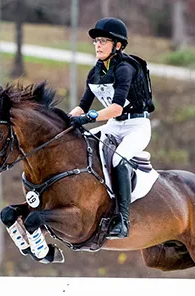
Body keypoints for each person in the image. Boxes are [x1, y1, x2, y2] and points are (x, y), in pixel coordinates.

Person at [68, 17, 155, 239]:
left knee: (118, 159)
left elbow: (116, 108)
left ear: (117, 45)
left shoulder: (125, 68)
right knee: (79, 143)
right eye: (96, 41)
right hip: (114, 126)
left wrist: (89, 118)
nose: (98, 45)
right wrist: (65, 120)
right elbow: (82, 106)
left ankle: (123, 220)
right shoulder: (95, 72)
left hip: (136, 126)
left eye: (103, 41)